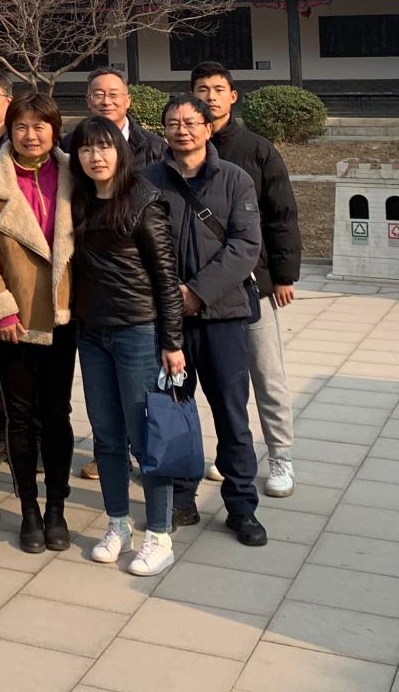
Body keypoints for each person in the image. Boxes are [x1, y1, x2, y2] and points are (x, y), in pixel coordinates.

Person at [143, 94, 268, 548]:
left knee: (232, 415)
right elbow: (138, 246)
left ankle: (242, 506)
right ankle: (181, 498)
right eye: (173, 123)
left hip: (223, 316)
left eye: (191, 122)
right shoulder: (147, 180)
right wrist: (171, 300)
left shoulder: (234, 179)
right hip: (167, 321)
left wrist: (196, 292)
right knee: (174, 410)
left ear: (208, 128)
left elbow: (245, 246)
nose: (182, 130)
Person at [66, 117, 186, 576]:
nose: (95, 157)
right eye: (85, 149)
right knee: (106, 435)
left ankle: (159, 533)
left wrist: (171, 342)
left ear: (120, 150)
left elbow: (166, 279)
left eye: (103, 147)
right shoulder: (77, 201)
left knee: (146, 436)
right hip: (91, 333)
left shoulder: (143, 200)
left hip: (138, 332)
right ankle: (118, 523)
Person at [0, 90, 74, 554]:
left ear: (54, 130)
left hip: (63, 315)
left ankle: (57, 508)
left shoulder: (73, 174)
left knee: (58, 415)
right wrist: (0, 308)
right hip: (14, 319)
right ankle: (29, 508)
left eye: (39, 126)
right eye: (21, 126)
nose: (31, 135)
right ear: (9, 131)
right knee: (20, 416)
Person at [192, 61, 302, 499]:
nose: (210, 96)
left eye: (218, 89)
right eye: (202, 89)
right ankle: (229, 454)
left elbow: (282, 214)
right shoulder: (183, 149)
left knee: (267, 374)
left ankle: (280, 456)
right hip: (201, 287)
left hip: (252, 282)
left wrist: (284, 275)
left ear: (233, 96)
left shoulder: (257, 149)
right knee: (222, 381)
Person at [63, 69, 166, 169]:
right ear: (88, 101)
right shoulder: (70, 143)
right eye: (99, 95)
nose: (106, 102)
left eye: (113, 95)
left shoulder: (155, 147)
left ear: (127, 101)